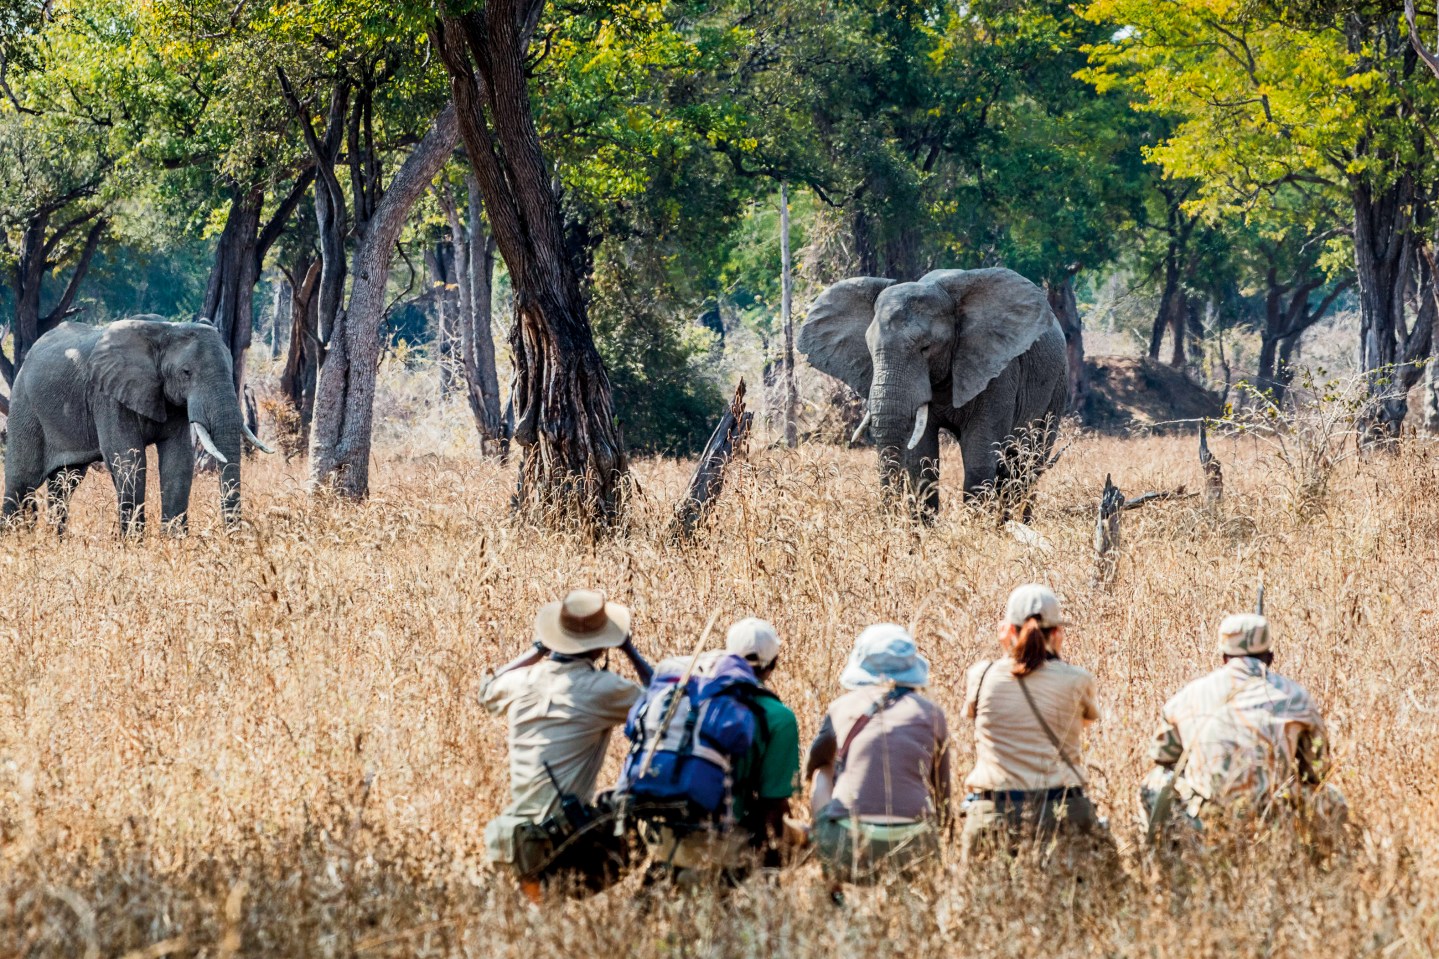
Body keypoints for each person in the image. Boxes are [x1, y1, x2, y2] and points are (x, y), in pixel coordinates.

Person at [480, 589, 653, 903]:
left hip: (513, 835)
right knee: (641, 822)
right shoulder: (601, 689)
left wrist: (536, 650)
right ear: (603, 645)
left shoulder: (523, 680)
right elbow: (665, 704)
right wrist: (629, 649)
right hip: (560, 839)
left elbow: (487, 690)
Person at [1140, 612, 1344, 836]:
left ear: (1224, 658)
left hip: (1206, 821)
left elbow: (1162, 757)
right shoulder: (1296, 697)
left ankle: (1164, 859)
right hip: (1275, 819)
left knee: (1156, 780)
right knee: (1332, 797)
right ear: (1270, 657)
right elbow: (1318, 771)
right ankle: (1315, 860)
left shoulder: (1188, 696)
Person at [630, 618, 800, 885]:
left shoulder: (692, 697)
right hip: (720, 841)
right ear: (774, 663)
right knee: (803, 839)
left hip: (661, 831)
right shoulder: (779, 717)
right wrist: (771, 874)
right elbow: (774, 805)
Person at [960, 584, 1103, 861]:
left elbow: (977, 722)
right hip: (1062, 809)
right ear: (1058, 633)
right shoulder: (1077, 679)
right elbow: (1080, 729)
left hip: (994, 811)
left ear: (1007, 631)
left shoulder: (981, 676)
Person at [805, 624, 951, 886]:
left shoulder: (841, 707)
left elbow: (814, 764)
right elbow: (942, 793)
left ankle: (831, 875)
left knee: (822, 772)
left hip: (850, 843)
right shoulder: (932, 713)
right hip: (915, 844)